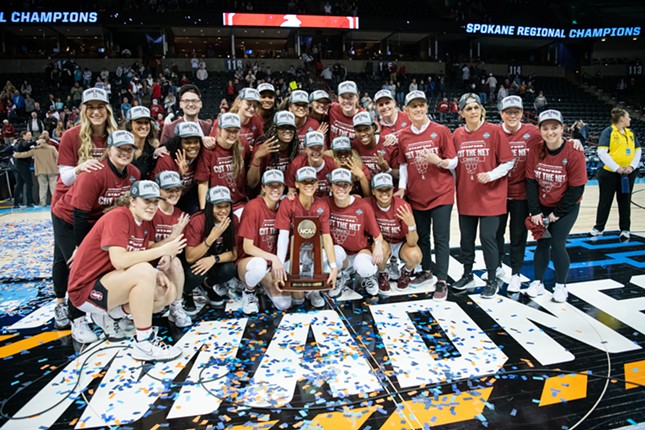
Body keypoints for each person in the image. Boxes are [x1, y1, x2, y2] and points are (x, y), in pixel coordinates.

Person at [67, 180, 187, 361]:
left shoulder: (144, 223)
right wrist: (163, 252)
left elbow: (143, 253)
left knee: (165, 294)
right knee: (145, 271)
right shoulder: (119, 217)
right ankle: (144, 344)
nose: (152, 206)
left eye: (155, 202)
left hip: (109, 283)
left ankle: (113, 315)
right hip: (85, 289)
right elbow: (120, 260)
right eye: (147, 201)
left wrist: (159, 267)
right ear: (132, 201)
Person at [53, 130, 143, 342]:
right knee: (77, 266)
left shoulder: (134, 174)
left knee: (100, 264)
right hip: (68, 219)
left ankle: (103, 313)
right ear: (109, 150)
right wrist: (80, 246)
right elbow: (79, 214)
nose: (124, 152)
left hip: (96, 222)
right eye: (119, 148)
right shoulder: (94, 173)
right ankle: (77, 320)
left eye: (129, 149)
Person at [395, 90, 457, 300]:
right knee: (422, 237)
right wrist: (402, 186)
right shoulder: (403, 135)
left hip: (441, 193)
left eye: (421, 105)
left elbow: (454, 160)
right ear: (407, 111)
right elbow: (403, 164)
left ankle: (441, 280)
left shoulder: (440, 131)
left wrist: (438, 161)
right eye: (414, 106)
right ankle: (426, 270)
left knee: (441, 238)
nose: (418, 109)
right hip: (416, 195)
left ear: (426, 108)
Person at [451, 93, 514, 299]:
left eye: (476, 107)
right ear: (461, 113)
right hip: (467, 195)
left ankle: (492, 278)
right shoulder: (457, 135)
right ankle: (467, 274)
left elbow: (508, 162)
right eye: (468, 109)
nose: (473, 111)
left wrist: (491, 175)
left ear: (481, 110)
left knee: (488, 238)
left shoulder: (494, 131)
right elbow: (452, 163)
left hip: (491, 196)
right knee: (466, 240)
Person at [525, 110, 586, 302]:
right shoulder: (535, 149)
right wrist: (535, 211)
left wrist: (557, 214)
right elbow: (531, 182)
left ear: (562, 128)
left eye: (554, 127)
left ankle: (561, 286)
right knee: (542, 243)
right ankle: (538, 282)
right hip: (543, 205)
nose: (550, 132)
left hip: (566, 207)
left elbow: (577, 189)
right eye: (545, 128)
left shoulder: (574, 152)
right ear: (540, 130)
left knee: (558, 243)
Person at [492, 96, 543, 292]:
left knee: (518, 235)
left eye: (516, 112)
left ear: (522, 113)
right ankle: (495, 266)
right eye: (508, 112)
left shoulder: (533, 132)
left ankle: (515, 273)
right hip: (498, 193)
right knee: (495, 234)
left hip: (521, 194)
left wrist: (573, 142)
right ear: (502, 114)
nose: (512, 116)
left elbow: (554, 139)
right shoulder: (494, 132)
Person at [275, 166, 338, 307]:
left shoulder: (322, 205)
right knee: (297, 301)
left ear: (316, 184)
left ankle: (313, 288)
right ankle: (305, 286)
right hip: (292, 255)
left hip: (312, 252)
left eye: (312, 182)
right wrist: (279, 264)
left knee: (334, 256)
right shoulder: (288, 203)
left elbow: (326, 236)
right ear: (297, 184)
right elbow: (283, 235)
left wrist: (333, 267)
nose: (309, 186)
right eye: (304, 182)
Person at [237, 170, 291, 314]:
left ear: (284, 187)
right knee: (259, 265)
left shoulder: (284, 206)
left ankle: (263, 281)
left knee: (284, 304)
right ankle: (249, 291)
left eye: (278, 186)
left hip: (274, 264)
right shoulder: (253, 207)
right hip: (251, 261)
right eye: (270, 186)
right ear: (263, 188)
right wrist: (274, 258)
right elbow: (247, 247)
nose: (275, 189)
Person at [326, 168, 384, 297]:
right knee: (330, 254)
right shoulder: (325, 203)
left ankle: (369, 276)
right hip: (341, 254)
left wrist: (378, 246)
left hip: (360, 251)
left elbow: (377, 234)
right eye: (337, 185)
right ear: (330, 187)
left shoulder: (363, 206)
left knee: (365, 267)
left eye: (345, 185)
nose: (341, 189)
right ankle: (340, 275)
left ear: (351, 187)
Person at [184, 185, 238, 311]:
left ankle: (207, 285)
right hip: (193, 262)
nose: (223, 211)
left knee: (229, 269)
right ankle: (186, 293)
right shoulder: (198, 221)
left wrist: (214, 259)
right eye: (219, 206)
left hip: (212, 258)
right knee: (196, 274)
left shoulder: (233, 220)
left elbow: (234, 254)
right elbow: (189, 257)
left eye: (227, 206)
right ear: (210, 207)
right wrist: (211, 238)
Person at [591, 107, 641, 242]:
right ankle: (598, 228)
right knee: (605, 201)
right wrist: (617, 168)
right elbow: (602, 152)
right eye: (628, 117)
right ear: (621, 119)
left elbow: (638, 150)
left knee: (625, 201)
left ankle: (625, 229)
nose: (630, 119)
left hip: (628, 174)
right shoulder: (608, 132)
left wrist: (631, 166)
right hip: (609, 173)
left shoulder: (631, 133)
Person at [369, 173, 421, 292]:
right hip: (383, 241)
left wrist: (411, 225)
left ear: (393, 190)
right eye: (380, 189)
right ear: (373, 191)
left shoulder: (403, 206)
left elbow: (412, 242)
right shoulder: (368, 204)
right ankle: (382, 272)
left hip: (401, 242)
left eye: (387, 189)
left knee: (415, 255)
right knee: (379, 249)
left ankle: (406, 272)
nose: (384, 193)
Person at [196, 113, 248, 215]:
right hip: (217, 205)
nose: (232, 134)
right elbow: (203, 183)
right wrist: (204, 211)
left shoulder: (243, 145)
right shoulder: (209, 149)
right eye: (228, 130)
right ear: (219, 130)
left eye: (235, 131)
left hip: (238, 204)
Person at [153, 122, 202, 214]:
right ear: (178, 143)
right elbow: (163, 195)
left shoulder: (199, 157)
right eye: (187, 142)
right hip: (167, 201)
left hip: (187, 200)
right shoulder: (166, 160)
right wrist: (180, 175)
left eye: (196, 141)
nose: (193, 146)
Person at [248, 111, 300, 188]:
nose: (288, 130)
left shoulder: (294, 148)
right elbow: (251, 184)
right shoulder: (263, 146)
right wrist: (256, 158)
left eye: (291, 127)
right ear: (275, 129)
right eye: (283, 127)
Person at [12, 131, 58, 206]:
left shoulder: (36, 150)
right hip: (52, 170)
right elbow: (58, 157)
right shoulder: (52, 148)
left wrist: (16, 155)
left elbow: (25, 154)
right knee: (54, 187)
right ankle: (56, 202)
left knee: (42, 188)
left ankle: (42, 202)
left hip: (40, 171)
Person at [285, 131, 336, 198]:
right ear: (305, 149)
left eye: (319, 148)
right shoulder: (297, 164)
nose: (315, 152)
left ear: (324, 148)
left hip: (325, 202)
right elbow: (292, 191)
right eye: (312, 148)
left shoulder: (331, 164)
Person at [212, 88, 263, 152]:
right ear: (239, 103)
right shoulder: (222, 121)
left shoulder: (257, 121)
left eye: (255, 106)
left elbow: (260, 143)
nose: (252, 109)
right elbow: (212, 144)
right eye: (248, 104)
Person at [352, 111, 399, 179]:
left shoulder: (388, 144)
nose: (363, 134)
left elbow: (400, 176)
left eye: (366, 129)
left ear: (373, 128)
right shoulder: (353, 146)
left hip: (385, 187)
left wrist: (387, 169)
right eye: (359, 131)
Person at [125, 106, 158, 179]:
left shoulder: (152, 151)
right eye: (139, 122)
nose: (143, 126)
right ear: (130, 124)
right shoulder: (120, 149)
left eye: (146, 122)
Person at [328, 81, 364, 146]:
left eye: (350, 96)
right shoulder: (332, 108)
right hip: (333, 152)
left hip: (354, 154)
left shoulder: (363, 115)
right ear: (338, 98)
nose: (346, 101)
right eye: (343, 97)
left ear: (357, 97)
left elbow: (377, 129)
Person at [11, 130, 36, 208]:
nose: (30, 136)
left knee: (19, 184)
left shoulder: (21, 142)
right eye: (28, 135)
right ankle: (29, 202)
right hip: (23, 166)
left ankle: (16, 203)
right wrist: (36, 142)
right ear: (23, 135)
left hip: (19, 166)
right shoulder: (22, 142)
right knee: (29, 183)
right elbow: (26, 145)